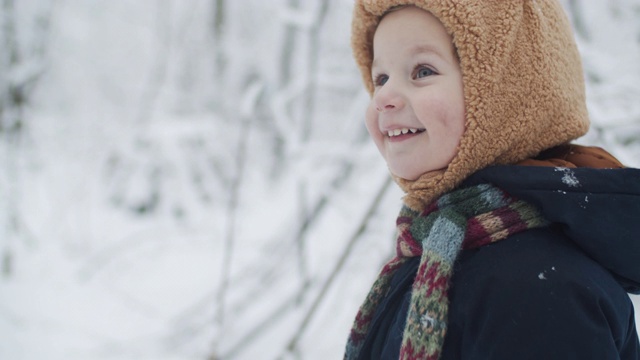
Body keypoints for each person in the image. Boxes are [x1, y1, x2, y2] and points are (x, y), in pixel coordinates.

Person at [344, 1, 640, 359]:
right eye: (381, 78)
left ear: (510, 90)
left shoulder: (538, 289)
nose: (384, 98)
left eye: (422, 71)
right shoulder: (434, 251)